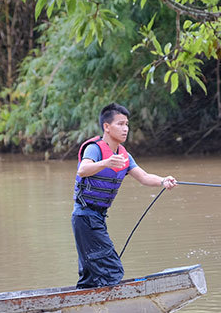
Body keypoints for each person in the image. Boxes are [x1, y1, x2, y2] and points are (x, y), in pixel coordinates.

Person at [72, 103, 177, 288]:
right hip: (85, 217)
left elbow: (144, 177)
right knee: (111, 269)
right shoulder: (94, 149)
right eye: (120, 124)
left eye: (127, 124)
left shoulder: (124, 155)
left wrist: (163, 180)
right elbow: (83, 170)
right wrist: (105, 163)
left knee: (92, 273)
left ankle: (87, 306)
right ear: (107, 126)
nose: (125, 128)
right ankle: (109, 306)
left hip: (97, 217)